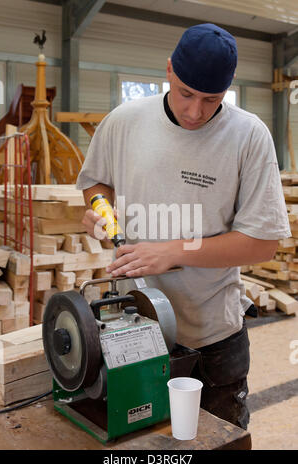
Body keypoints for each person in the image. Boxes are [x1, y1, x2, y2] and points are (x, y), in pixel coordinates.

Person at [76, 23, 291, 430]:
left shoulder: (248, 136)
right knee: (141, 444)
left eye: (211, 100)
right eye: (186, 93)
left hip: (212, 338)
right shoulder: (124, 121)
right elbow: (95, 183)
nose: (195, 112)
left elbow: (262, 245)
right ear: (170, 70)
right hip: (131, 330)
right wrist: (100, 212)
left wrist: (172, 251)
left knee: (217, 440)